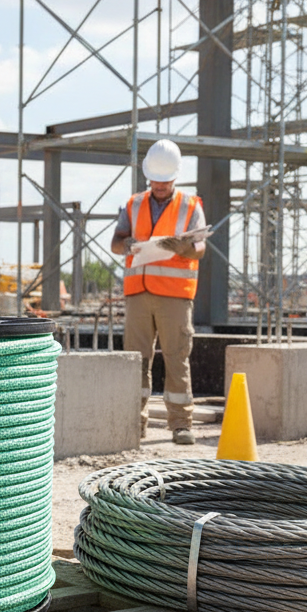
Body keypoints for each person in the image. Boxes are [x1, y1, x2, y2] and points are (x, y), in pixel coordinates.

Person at [110, 140, 207, 445]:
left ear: (175, 177)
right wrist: (129, 246)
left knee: (177, 358)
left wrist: (186, 247)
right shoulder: (133, 204)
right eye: (156, 180)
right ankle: (133, 424)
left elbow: (200, 249)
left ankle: (181, 424)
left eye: (166, 180)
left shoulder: (191, 206)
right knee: (136, 360)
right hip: (138, 292)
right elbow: (116, 242)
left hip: (175, 295)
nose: (161, 185)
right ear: (147, 176)